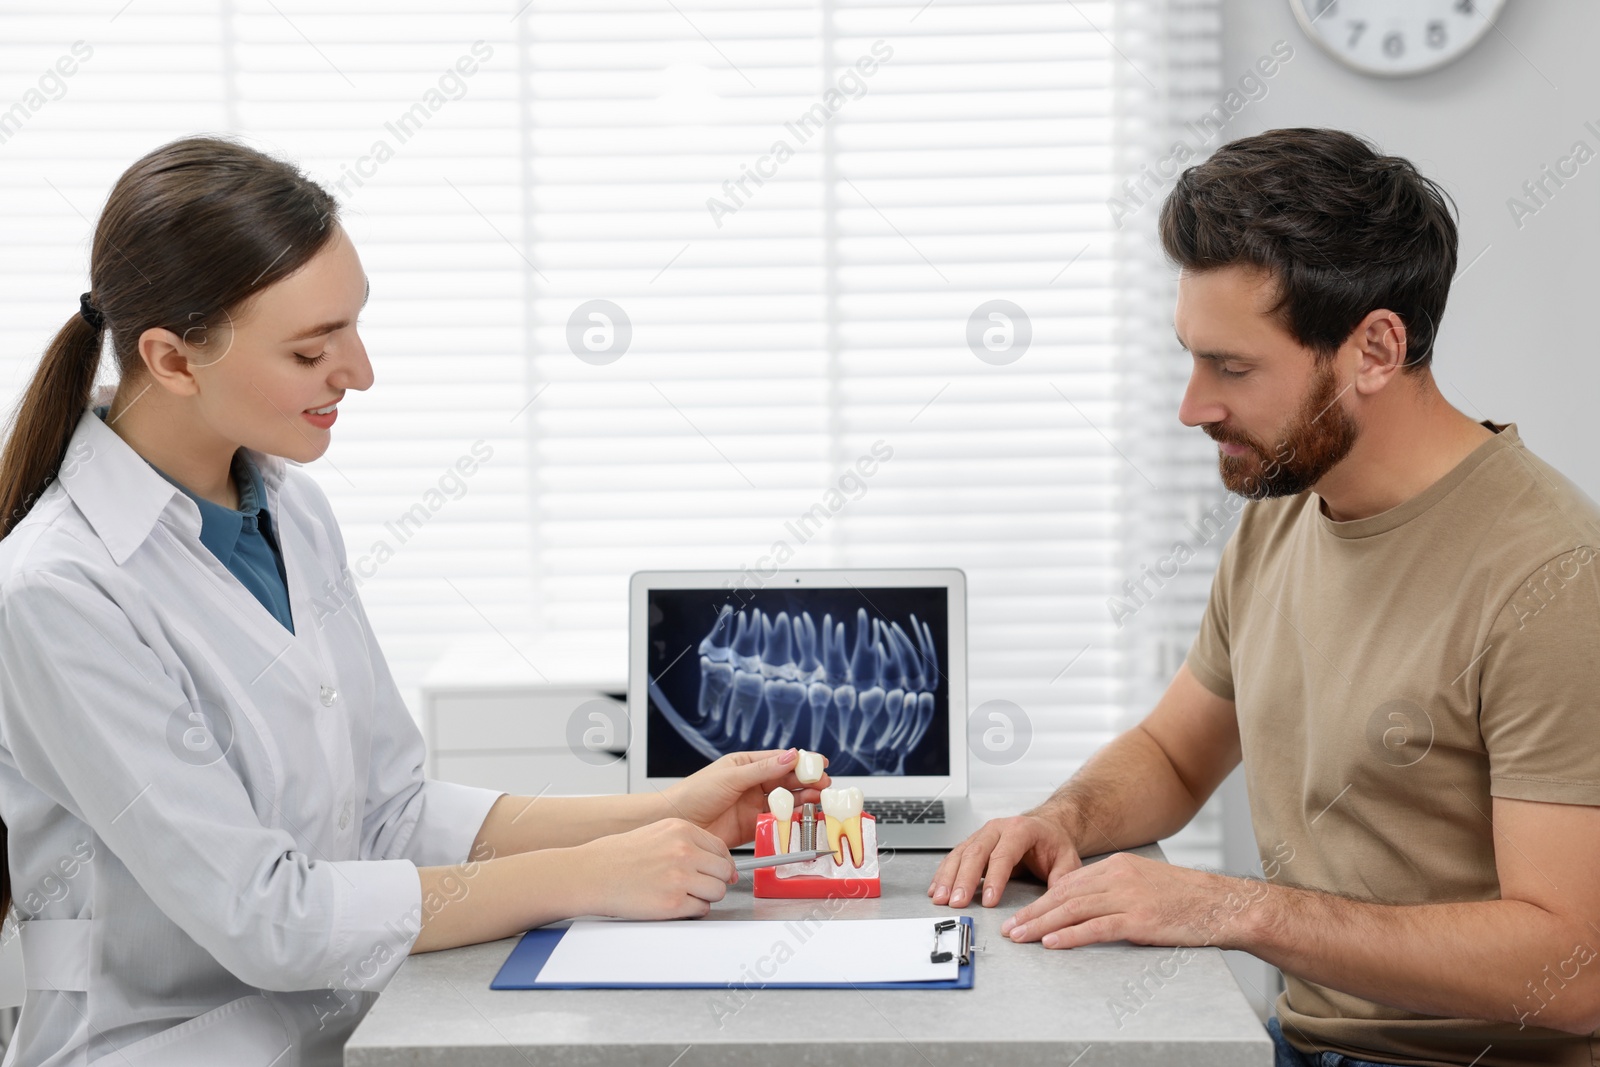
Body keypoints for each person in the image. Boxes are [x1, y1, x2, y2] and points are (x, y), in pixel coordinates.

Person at [0, 135, 829, 1067]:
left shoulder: (289, 508)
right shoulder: (59, 591)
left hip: (358, 1024)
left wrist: (658, 812)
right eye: (312, 349)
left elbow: (387, 812)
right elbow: (265, 915)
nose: (358, 371)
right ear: (174, 359)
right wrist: (584, 876)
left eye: (352, 326)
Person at [930, 128, 1600, 1067]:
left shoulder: (1553, 577)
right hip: (1296, 1043)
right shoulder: (1286, 510)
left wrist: (1232, 907)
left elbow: (1574, 972)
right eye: (1191, 357)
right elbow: (1174, 751)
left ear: (1374, 348)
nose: (1192, 405)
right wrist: (1063, 818)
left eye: (1233, 368)